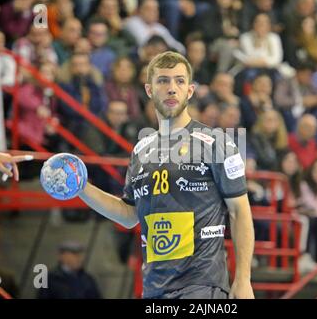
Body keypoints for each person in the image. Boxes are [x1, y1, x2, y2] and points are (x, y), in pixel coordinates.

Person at [76, 51, 255, 299]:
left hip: (201, 286)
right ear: (149, 90)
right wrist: (80, 187)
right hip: (154, 290)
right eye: (163, 81)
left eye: (180, 81)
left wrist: (243, 279)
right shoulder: (140, 150)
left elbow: (239, 211)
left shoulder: (216, 143)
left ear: (190, 91)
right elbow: (129, 215)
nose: (172, 88)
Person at [38, 240, 102, 299]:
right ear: (62, 256)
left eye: (80, 254)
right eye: (74, 254)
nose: (79, 258)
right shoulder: (49, 279)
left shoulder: (88, 279)